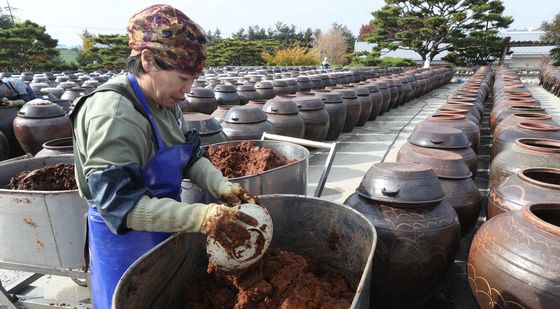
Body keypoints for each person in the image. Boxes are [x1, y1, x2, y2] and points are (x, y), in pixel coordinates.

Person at [69, 5, 258, 309]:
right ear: (147, 59)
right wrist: (202, 217)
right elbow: (122, 206)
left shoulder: (165, 103)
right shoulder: (114, 113)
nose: (188, 90)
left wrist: (223, 186)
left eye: (193, 79)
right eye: (183, 77)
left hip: (165, 232)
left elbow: (190, 157)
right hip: (124, 247)